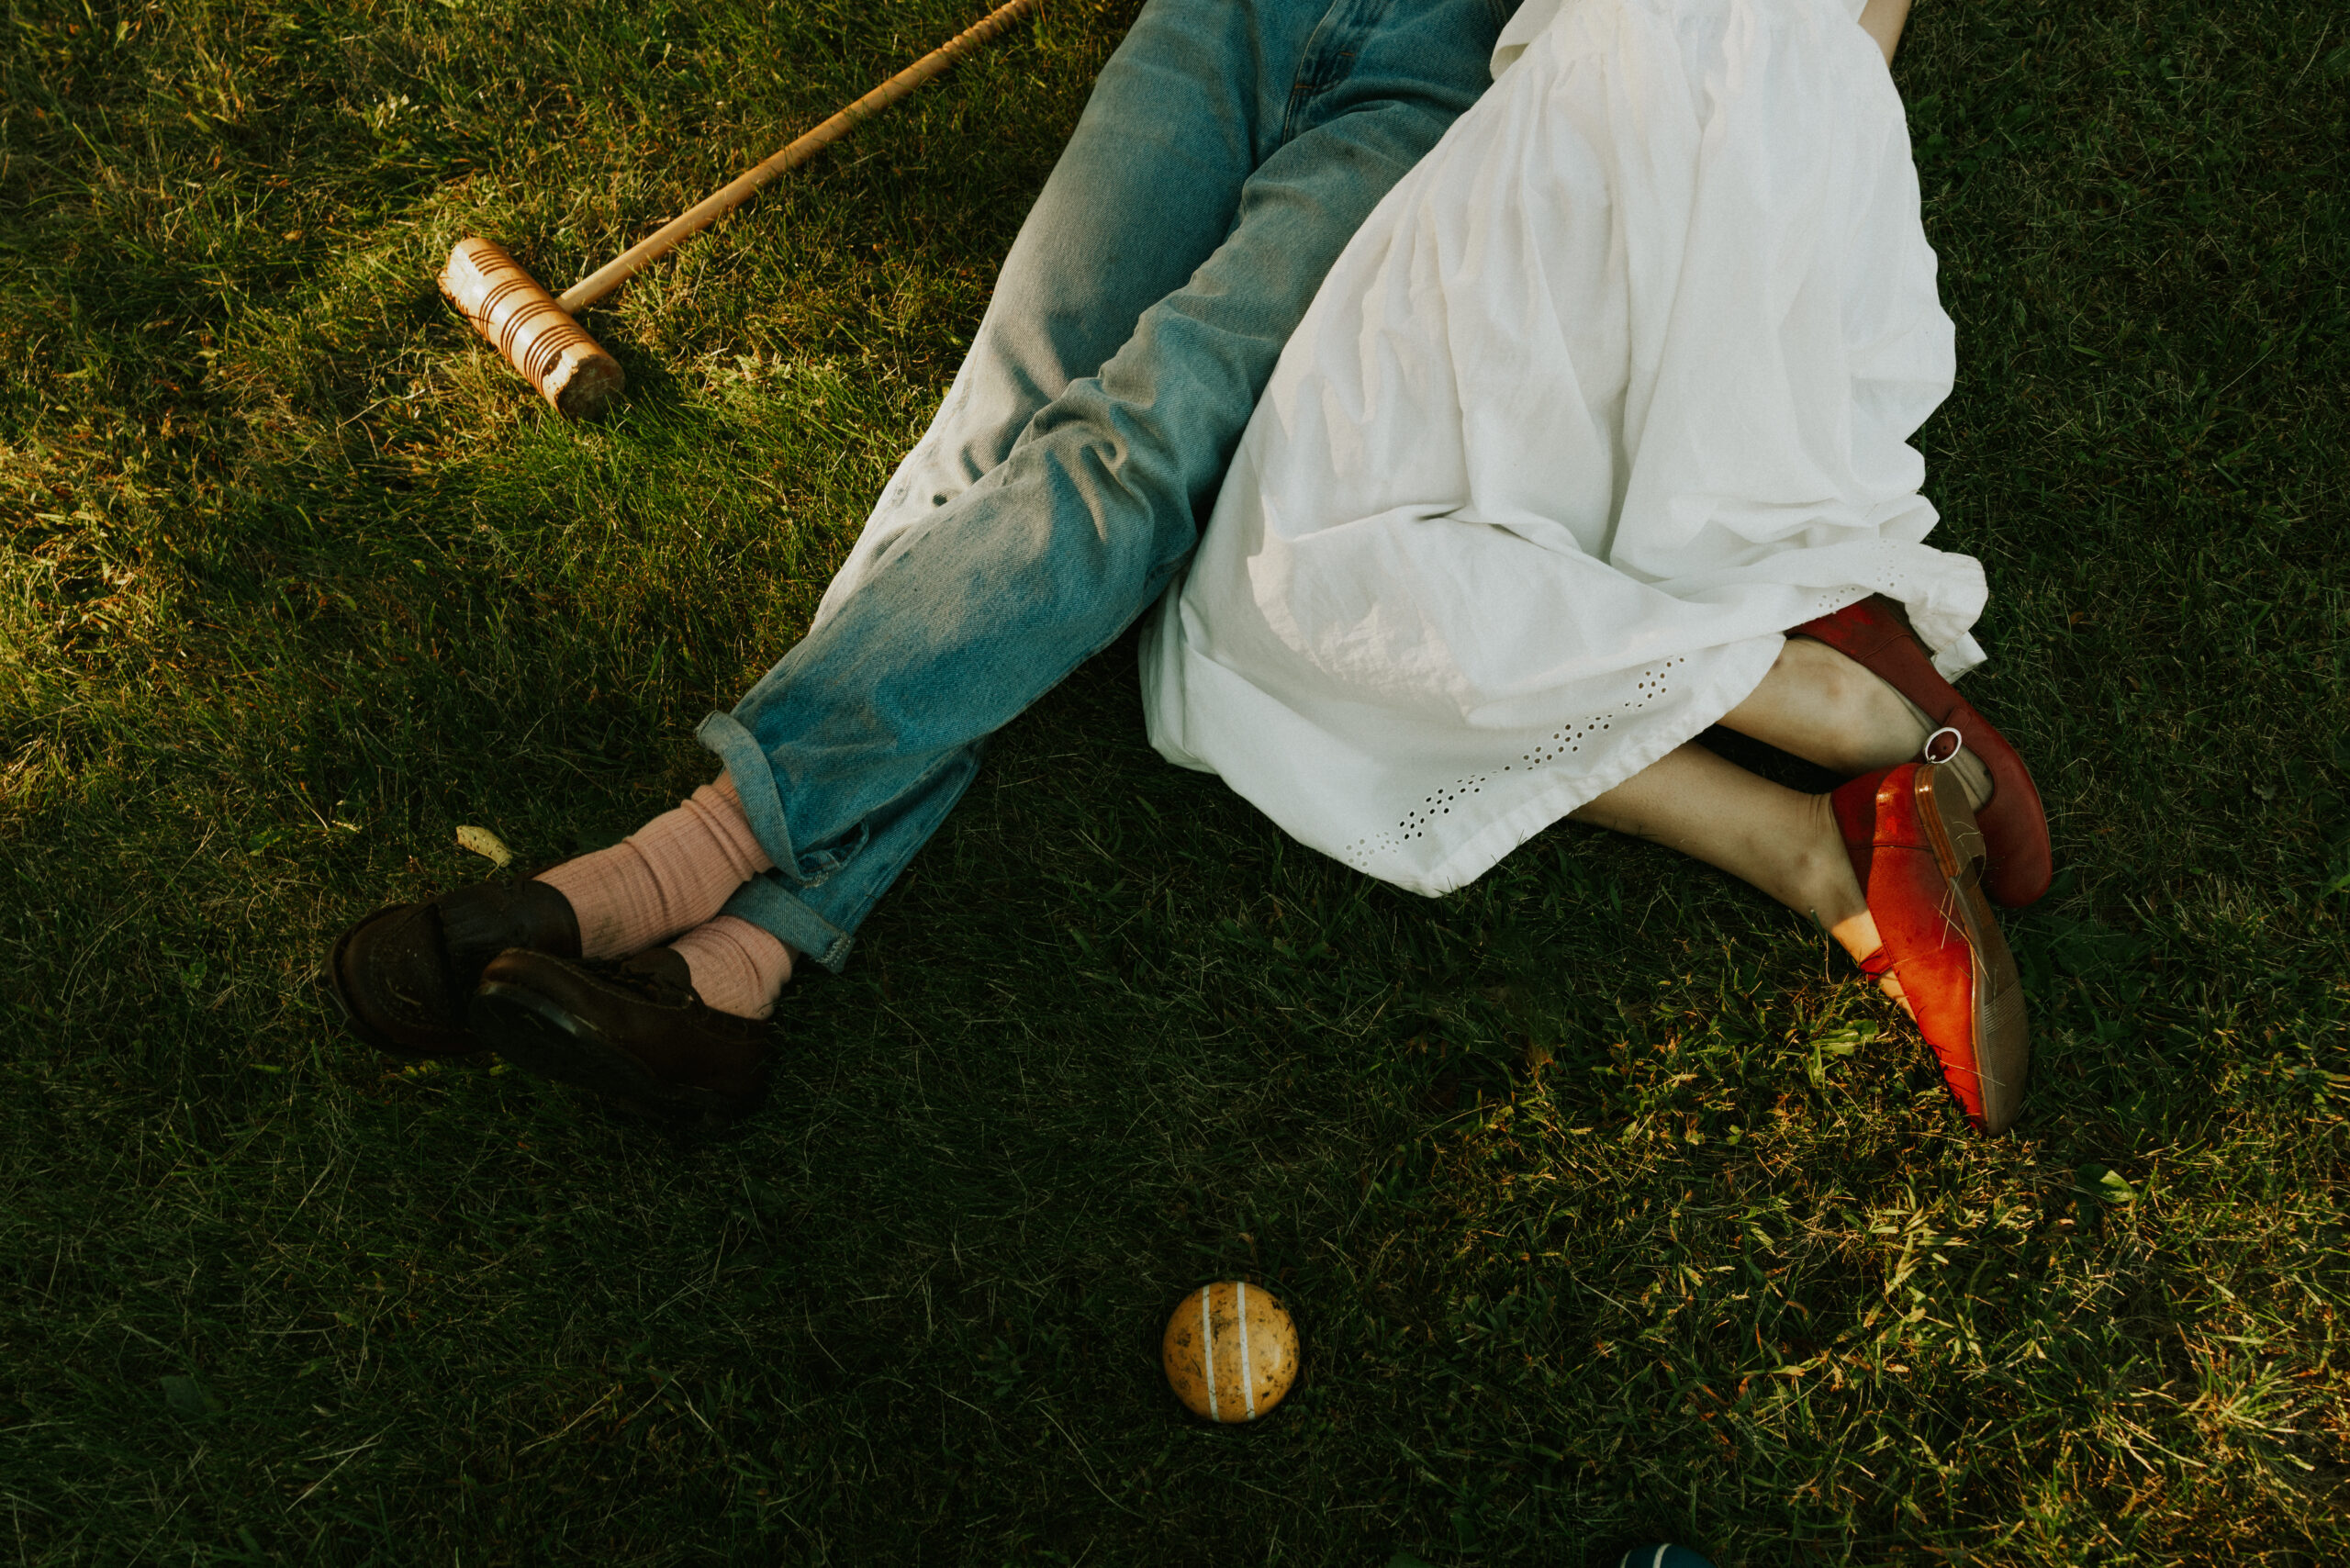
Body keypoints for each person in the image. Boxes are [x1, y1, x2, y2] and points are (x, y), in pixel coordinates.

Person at [328, 0, 1533, 1118]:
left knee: (1149, 437)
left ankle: (671, 869)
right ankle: (728, 980)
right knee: (989, 435)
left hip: (1439, 75)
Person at [1137, 0, 2049, 1132]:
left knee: (1266, 602)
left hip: (1626, 92)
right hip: (1796, 112)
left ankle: (1817, 721)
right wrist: (1816, 171)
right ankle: (1817, 834)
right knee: (1500, 507)